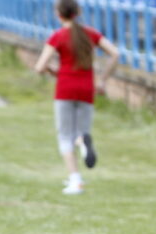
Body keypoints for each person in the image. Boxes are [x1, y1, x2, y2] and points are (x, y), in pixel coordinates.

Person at [34, 0, 119, 195]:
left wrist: (53, 71)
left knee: (64, 136)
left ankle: (75, 180)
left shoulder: (58, 36)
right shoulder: (90, 34)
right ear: (78, 12)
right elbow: (115, 53)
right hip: (86, 88)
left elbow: (39, 66)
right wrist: (103, 80)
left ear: (58, 14)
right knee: (82, 130)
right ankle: (82, 141)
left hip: (65, 88)